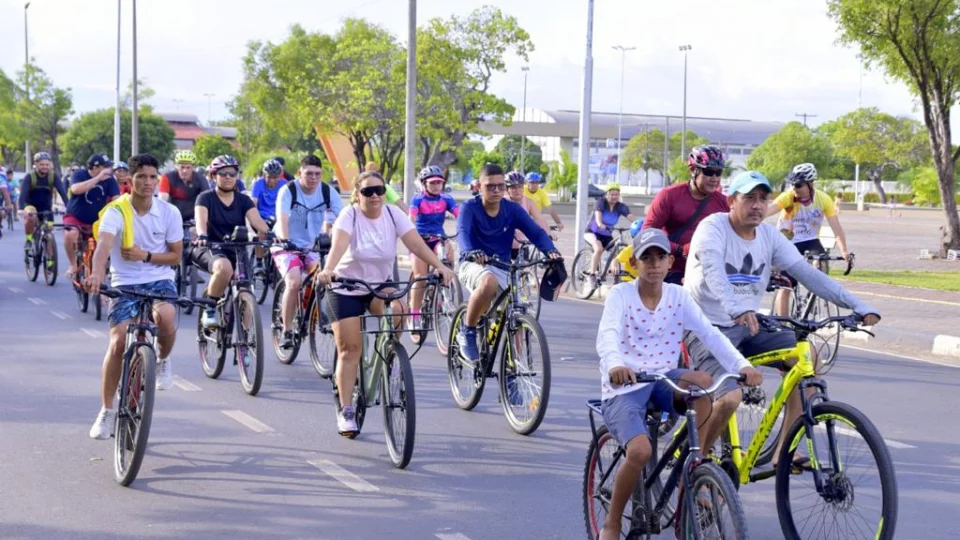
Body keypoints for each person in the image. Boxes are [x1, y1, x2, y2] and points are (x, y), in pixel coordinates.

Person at [683, 170, 881, 467]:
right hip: (706, 327)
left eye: (763, 198)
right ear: (731, 201)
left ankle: (782, 452)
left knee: (808, 358)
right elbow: (713, 274)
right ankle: (699, 465)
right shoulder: (712, 229)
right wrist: (737, 308)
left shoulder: (768, 235)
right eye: (749, 198)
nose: (757, 205)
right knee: (730, 399)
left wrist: (858, 305)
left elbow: (808, 273)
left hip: (748, 325)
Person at [595, 227, 761, 540]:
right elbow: (608, 336)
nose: (654, 264)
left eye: (660, 257)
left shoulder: (677, 296)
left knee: (704, 383)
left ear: (670, 261)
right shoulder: (621, 295)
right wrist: (615, 364)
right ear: (635, 262)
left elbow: (710, 334)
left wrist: (743, 365)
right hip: (625, 385)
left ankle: (692, 464)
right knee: (641, 451)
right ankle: (613, 523)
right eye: (647, 258)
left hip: (662, 378)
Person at [316, 171, 454, 436]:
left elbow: (416, 244)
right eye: (368, 191)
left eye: (379, 190)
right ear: (357, 195)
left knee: (399, 309)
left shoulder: (393, 214)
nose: (375, 195)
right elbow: (339, 244)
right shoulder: (350, 215)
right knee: (350, 350)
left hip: (378, 285)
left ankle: (387, 355)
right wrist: (328, 269)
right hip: (344, 286)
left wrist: (440, 267)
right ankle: (346, 410)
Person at [84, 154, 185, 438]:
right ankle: (106, 411)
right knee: (117, 342)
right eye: (141, 177)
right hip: (125, 283)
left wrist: (147, 255)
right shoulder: (117, 211)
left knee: (165, 318)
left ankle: (163, 361)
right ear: (129, 180)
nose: (148, 182)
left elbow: (176, 257)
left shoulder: (169, 213)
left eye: (153, 177)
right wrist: (96, 275)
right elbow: (103, 246)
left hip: (160, 279)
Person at [456, 164, 561, 364]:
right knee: (488, 282)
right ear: (479, 186)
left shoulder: (512, 210)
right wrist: (470, 252)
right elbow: (462, 233)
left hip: (503, 265)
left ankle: (514, 372)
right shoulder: (470, 207)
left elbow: (535, 231)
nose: (496, 191)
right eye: (490, 187)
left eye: (500, 186)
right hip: (473, 263)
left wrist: (551, 251)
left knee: (517, 316)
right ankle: (467, 330)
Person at [273, 154, 344, 349]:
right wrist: (285, 240)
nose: (313, 178)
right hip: (287, 246)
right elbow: (282, 218)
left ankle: (310, 308)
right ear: (299, 173)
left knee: (326, 275)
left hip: (313, 246)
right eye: (309, 173)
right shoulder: (288, 190)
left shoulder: (328, 192)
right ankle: (287, 330)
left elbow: (344, 220)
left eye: (317, 174)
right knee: (294, 282)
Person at [192, 155, 271, 328]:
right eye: (223, 173)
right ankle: (210, 309)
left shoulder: (244, 200)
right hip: (210, 246)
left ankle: (247, 346)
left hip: (237, 249)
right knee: (224, 268)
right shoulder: (205, 198)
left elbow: (257, 220)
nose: (228, 177)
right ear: (213, 176)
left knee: (246, 291)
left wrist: (271, 234)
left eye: (232, 173)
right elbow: (201, 221)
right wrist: (202, 235)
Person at [766, 164, 851, 317]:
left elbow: (836, 228)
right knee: (786, 285)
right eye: (793, 184)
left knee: (821, 265)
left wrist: (844, 251)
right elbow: (769, 210)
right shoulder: (789, 197)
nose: (795, 189)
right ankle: (783, 325)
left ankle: (811, 300)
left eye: (798, 185)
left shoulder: (823, 199)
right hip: (788, 243)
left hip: (810, 240)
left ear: (810, 184)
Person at [642, 145, 730, 285]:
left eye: (718, 173)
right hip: (673, 272)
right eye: (708, 172)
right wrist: (680, 249)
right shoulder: (669, 196)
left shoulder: (724, 202)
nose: (714, 178)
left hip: (707, 273)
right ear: (693, 170)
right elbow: (647, 233)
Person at [408, 166, 459, 331]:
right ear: (424, 184)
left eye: (439, 182)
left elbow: (461, 215)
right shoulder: (417, 199)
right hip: (420, 241)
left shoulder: (446, 199)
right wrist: (413, 235)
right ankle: (414, 315)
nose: (437, 186)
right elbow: (411, 220)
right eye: (433, 183)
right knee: (421, 277)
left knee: (449, 258)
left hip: (438, 238)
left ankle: (440, 291)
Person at [63, 153, 121, 276]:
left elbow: (117, 199)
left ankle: (100, 284)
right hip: (76, 216)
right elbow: (75, 189)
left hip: (98, 219)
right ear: (95, 168)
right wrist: (97, 179)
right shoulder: (79, 174)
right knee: (70, 233)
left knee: (105, 245)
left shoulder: (110, 180)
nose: (109, 170)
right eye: (106, 167)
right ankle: (73, 264)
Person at [584, 184, 637, 288]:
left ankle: (613, 275)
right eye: (612, 194)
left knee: (617, 253)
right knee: (598, 249)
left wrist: (640, 224)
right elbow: (598, 218)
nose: (614, 197)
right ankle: (592, 275)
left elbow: (631, 217)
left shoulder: (620, 207)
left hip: (607, 234)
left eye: (616, 194)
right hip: (592, 232)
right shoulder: (600, 203)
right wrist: (600, 224)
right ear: (607, 194)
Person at [19, 152, 69, 259]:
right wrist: (22, 209)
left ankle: (50, 261)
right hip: (31, 206)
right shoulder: (29, 177)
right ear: (36, 164)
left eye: (47, 164)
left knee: (49, 233)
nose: (45, 167)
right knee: (30, 217)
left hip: (46, 208)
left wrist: (69, 208)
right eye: (42, 164)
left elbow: (63, 193)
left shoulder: (53, 176)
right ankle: (28, 239)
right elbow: (22, 196)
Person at [505, 170, 555, 260]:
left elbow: (539, 219)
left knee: (523, 271)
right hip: (504, 245)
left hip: (522, 245)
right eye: (513, 187)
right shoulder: (501, 202)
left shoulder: (528, 202)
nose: (517, 190)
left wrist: (549, 233)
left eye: (520, 187)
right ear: (507, 189)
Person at [158, 150, 207, 223]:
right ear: (177, 166)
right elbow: (162, 199)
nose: (184, 171)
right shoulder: (167, 177)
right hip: (172, 216)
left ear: (193, 167)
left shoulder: (200, 179)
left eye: (188, 167)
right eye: (182, 167)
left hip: (193, 218)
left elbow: (206, 199)